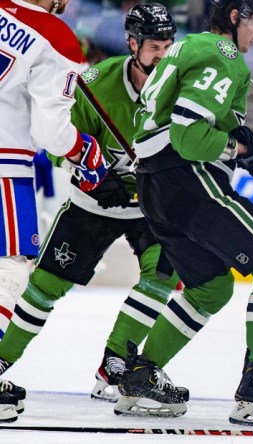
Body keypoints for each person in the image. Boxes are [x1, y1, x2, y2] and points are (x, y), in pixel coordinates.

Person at [120, 0, 253, 426]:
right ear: (236, 16)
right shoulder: (222, 55)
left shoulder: (189, 47)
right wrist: (239, 149)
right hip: (185, 178)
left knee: (210, 289)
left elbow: (178, 120)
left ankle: (141, 375)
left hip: (155, 186)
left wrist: (236, 144)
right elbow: (188, 137)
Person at [0, 3, 179, 407]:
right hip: (92, 201)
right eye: (154, 46)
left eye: (169, 45)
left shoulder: (179, 84)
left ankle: (116, 365)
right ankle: (1, 359)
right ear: (132, 43)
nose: (163, 55)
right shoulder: (95, 81)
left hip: (148, 207)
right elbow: (61, 143)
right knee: (43, 286)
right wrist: (92, 178)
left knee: (165, 272)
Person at [0, 0, 110, 423]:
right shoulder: (53, 32)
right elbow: (50, 130)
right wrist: (85, 149)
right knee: (9, 269)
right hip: (4, 164)